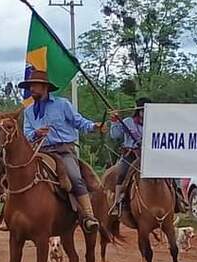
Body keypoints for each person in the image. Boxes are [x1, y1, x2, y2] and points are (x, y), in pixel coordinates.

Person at [20, 70, 106, 231]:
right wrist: (36, 133)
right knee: (18, 173)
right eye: (30, 85)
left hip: (63, 150)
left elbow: (79, 122)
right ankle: (12, 214)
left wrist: (94, 126)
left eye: (34, 85)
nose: (31, 88)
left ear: (45, 87)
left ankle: (88, 215)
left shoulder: (62, 104)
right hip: (40, 151)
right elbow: (27, 133)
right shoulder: (29, 111)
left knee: (75, 177)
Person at [109, 98, 148, 217]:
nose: (143, 113)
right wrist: (115, 122)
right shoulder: (128, 122)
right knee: (122, 173)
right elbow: (115, 136)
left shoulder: (154, 123)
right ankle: (117, 203)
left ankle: (177, 199)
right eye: (142, 110)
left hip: (148, 156)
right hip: (131, 154)